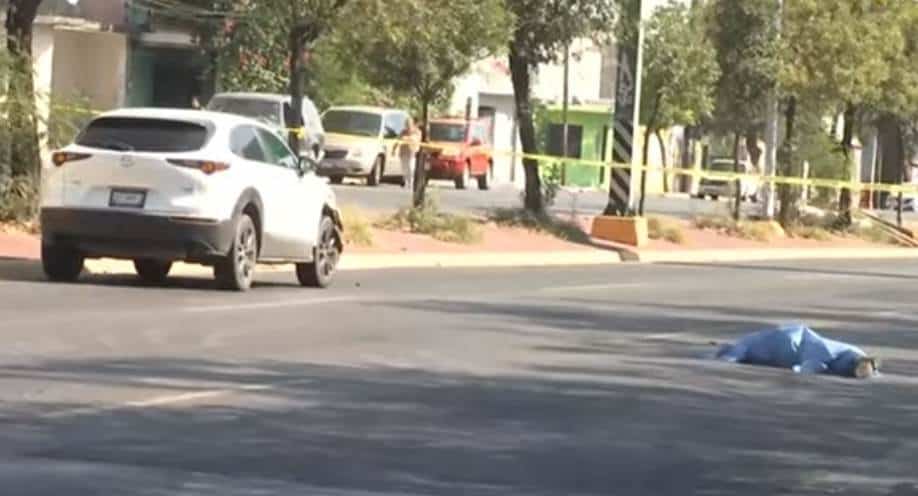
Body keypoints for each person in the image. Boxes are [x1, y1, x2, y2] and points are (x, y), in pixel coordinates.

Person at [716, 323, 880, 379]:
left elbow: (811, 364)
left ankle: (860, 363)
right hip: (798, 342)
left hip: (797, 342)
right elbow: (811, 364)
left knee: (827, 354)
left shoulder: (747, 344)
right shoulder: (748, 344)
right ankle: (861, 363)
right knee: (834, 355)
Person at [400, 119, 422, 190]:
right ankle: (405, 181)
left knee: (411, 167)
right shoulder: (403, 132)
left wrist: (408, 138)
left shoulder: (417, 131)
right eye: (406, 124)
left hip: (412, 152)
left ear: (412, 124)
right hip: (403, 152)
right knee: (404, 168)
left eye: (409, 124)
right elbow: (399, 139)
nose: (407, 125)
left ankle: (411, 182)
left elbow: (416, 139)